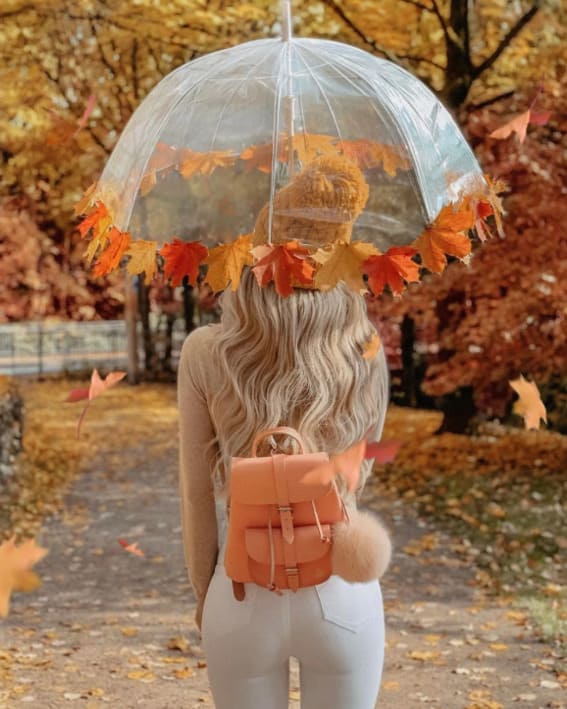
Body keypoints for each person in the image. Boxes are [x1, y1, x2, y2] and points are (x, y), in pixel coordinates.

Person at [178, 156, 391, 709]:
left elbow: (196, 493)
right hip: (339, 582)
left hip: (242, 585)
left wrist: (208, 594)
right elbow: (355, 479)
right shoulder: (365, 351)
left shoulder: (206, 352)